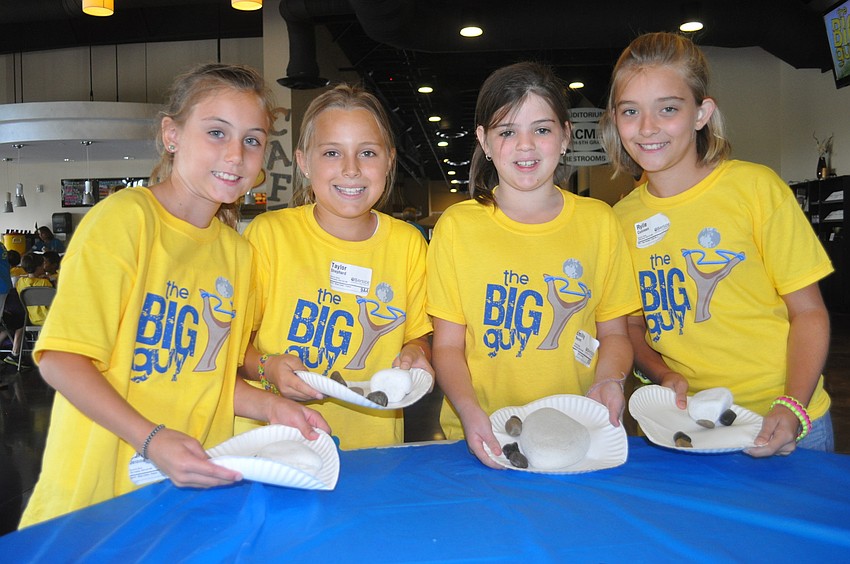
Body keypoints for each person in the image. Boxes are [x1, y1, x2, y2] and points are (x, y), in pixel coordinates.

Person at [18, 63, 330, 529]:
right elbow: (61, 359)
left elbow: (209, 380)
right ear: (172, 135)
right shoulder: (124, 221)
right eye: (216, 132)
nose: (235, 154)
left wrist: (273, 406)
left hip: (184, 496)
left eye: (252, 140)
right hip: (95, 499)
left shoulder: (238, 254)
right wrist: (152, 440)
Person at [600, 32, 834, 457]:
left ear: (701, 113)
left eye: (668, 109)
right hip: (687, 427)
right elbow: (632, 327)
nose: (648, 127)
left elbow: (809, 312)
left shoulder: (756, 188)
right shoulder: (619, 220)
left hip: (784, 417)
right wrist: (662, 373)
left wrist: (792, 405)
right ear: (615, 120)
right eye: (630, 111)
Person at [426, 62, 640, 468]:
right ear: (484, 142)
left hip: (578, 432)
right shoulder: (457, 227)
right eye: (507, 132)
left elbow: (614, 333)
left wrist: (609, 381)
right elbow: (449, 346)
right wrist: (469, 412)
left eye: (541, 130)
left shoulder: (599, 222)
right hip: (481, 433)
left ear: (565, 138)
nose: (525, 145)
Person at [237, 84, 433, 450]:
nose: (351, 169)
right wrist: (268, 368)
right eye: (332, 152)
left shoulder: (408, 244)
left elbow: (416, 335)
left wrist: (417, 355)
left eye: (368, 153)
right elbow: (233, 348)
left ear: (390, 160)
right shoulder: (269, 235)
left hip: (373, 447)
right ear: (304, 162)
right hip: (274, 445)